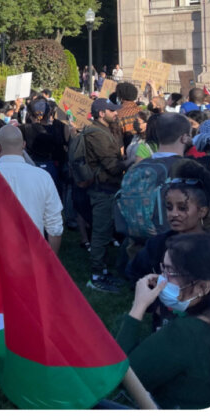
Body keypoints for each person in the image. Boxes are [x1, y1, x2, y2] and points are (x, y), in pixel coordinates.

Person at [118, 233, 210, 409]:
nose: (162, 279)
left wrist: (138, 307)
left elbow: (119, 376)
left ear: (202, 287)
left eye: (170, 272)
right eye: (162, 268)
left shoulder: (184, 334)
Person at [126, 161, 210, 282]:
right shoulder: (156, 245)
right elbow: (133, 272)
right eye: (169, 207)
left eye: (182, 208)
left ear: (202, 211)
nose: (173, 214)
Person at [85, 98, 131, 293]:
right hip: (102, 190)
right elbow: (112, 167)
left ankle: (102, 271)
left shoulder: (102, 131)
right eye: (112, 111)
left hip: (107, 188)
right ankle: (96, 277)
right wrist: (132, 161)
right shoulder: (98, 135)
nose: (116, 114)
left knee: (104, 232)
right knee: (101, 233)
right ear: (101, 113)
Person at [0, 125, 63, 252]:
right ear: (24, 145)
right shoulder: (43, 177)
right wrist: (51, 263)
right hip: (34, 254)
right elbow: (55, 227)